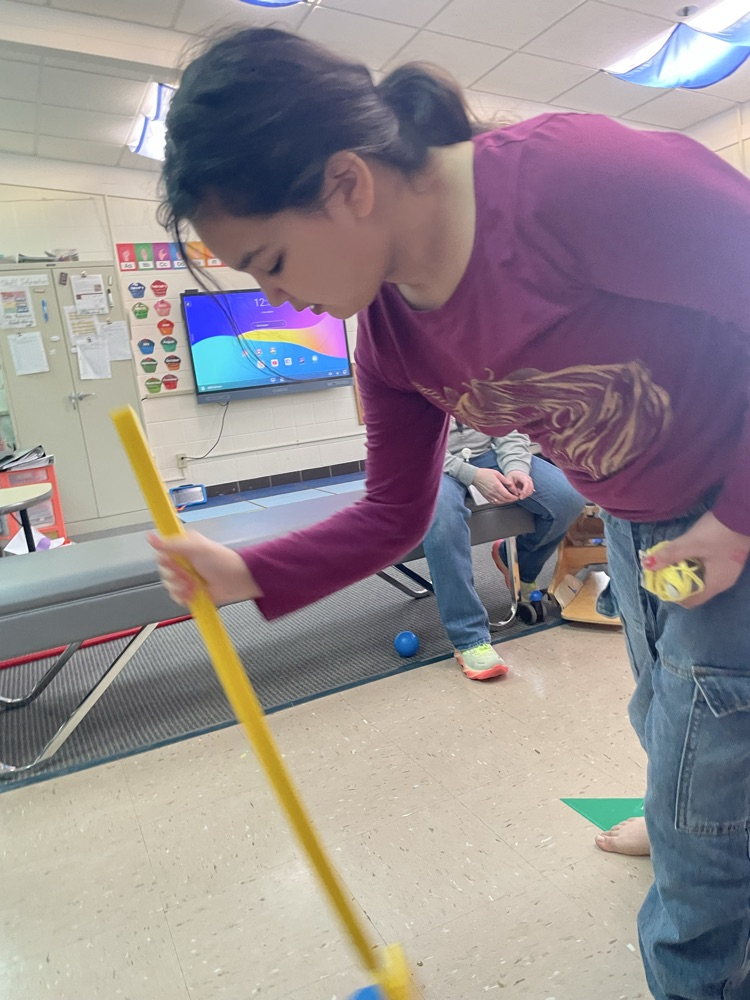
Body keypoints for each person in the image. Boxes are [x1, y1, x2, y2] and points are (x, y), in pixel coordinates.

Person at [152, 28, 750, 1000]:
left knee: (710, 777)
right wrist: (251, 571)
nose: (278, 298)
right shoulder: (388, 336)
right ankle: (685, 807)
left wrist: (733, 523)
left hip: (735, 497)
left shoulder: (573, 180)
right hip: (649, 519)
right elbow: (394, 511)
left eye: (270, 261)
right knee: (664, 707)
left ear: (348, 183)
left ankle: (697, 941)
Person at [423, 420, 584, 680]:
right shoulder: (404, 381)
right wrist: (472, 475)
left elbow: (508, 424)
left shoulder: (486, 378)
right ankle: (469, 637)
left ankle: (518, 562)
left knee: (567, 499)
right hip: (429, 464)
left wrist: (516, 467)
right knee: (443, 522)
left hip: (489, 454)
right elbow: (413, 447)